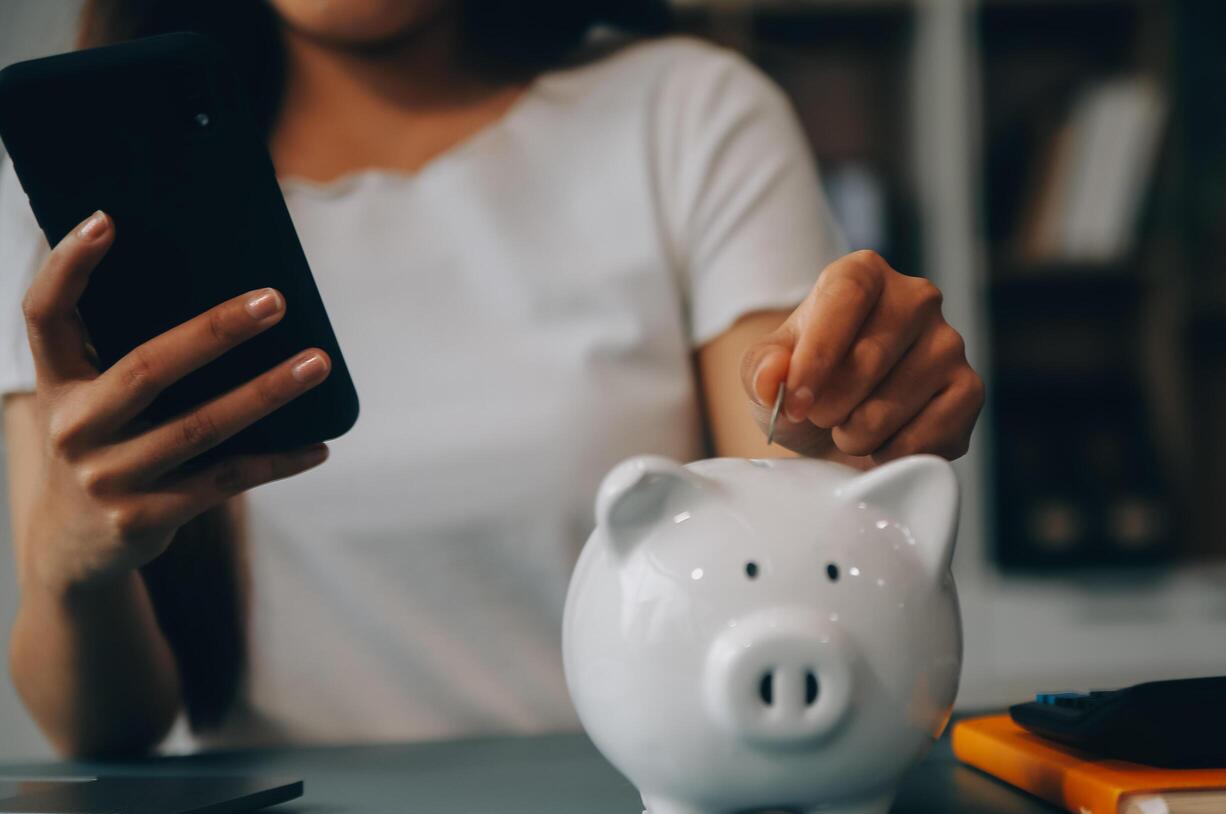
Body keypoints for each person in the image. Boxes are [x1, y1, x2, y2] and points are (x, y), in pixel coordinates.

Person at [0, 0, 985, 757]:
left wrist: (856, 417)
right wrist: (71, 566)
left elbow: (785, 487)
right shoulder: (82, 203)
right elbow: (104, 735)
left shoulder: (688, 111)